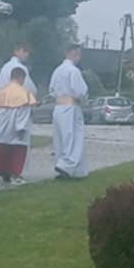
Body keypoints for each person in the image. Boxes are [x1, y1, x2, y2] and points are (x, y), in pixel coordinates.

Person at [48, 45, 91, 181]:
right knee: (73, 137)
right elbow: (80, 91)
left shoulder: (57, 70)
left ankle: (68, 167)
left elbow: (51, 90)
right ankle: (67, 165)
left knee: (60, 138)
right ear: (75, 54)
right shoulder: (74, 71)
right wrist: (84, 100)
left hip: (58, 107)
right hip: (71, 106)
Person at [0, 66, 37, 185]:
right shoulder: (24, 94)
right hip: (17, 128)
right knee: (18, 151)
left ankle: (3, 170)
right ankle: (15, 174)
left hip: (3, 127)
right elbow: (23, 113)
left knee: (3, 149)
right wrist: (21, 127)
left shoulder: (1, 92)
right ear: (21, 78)